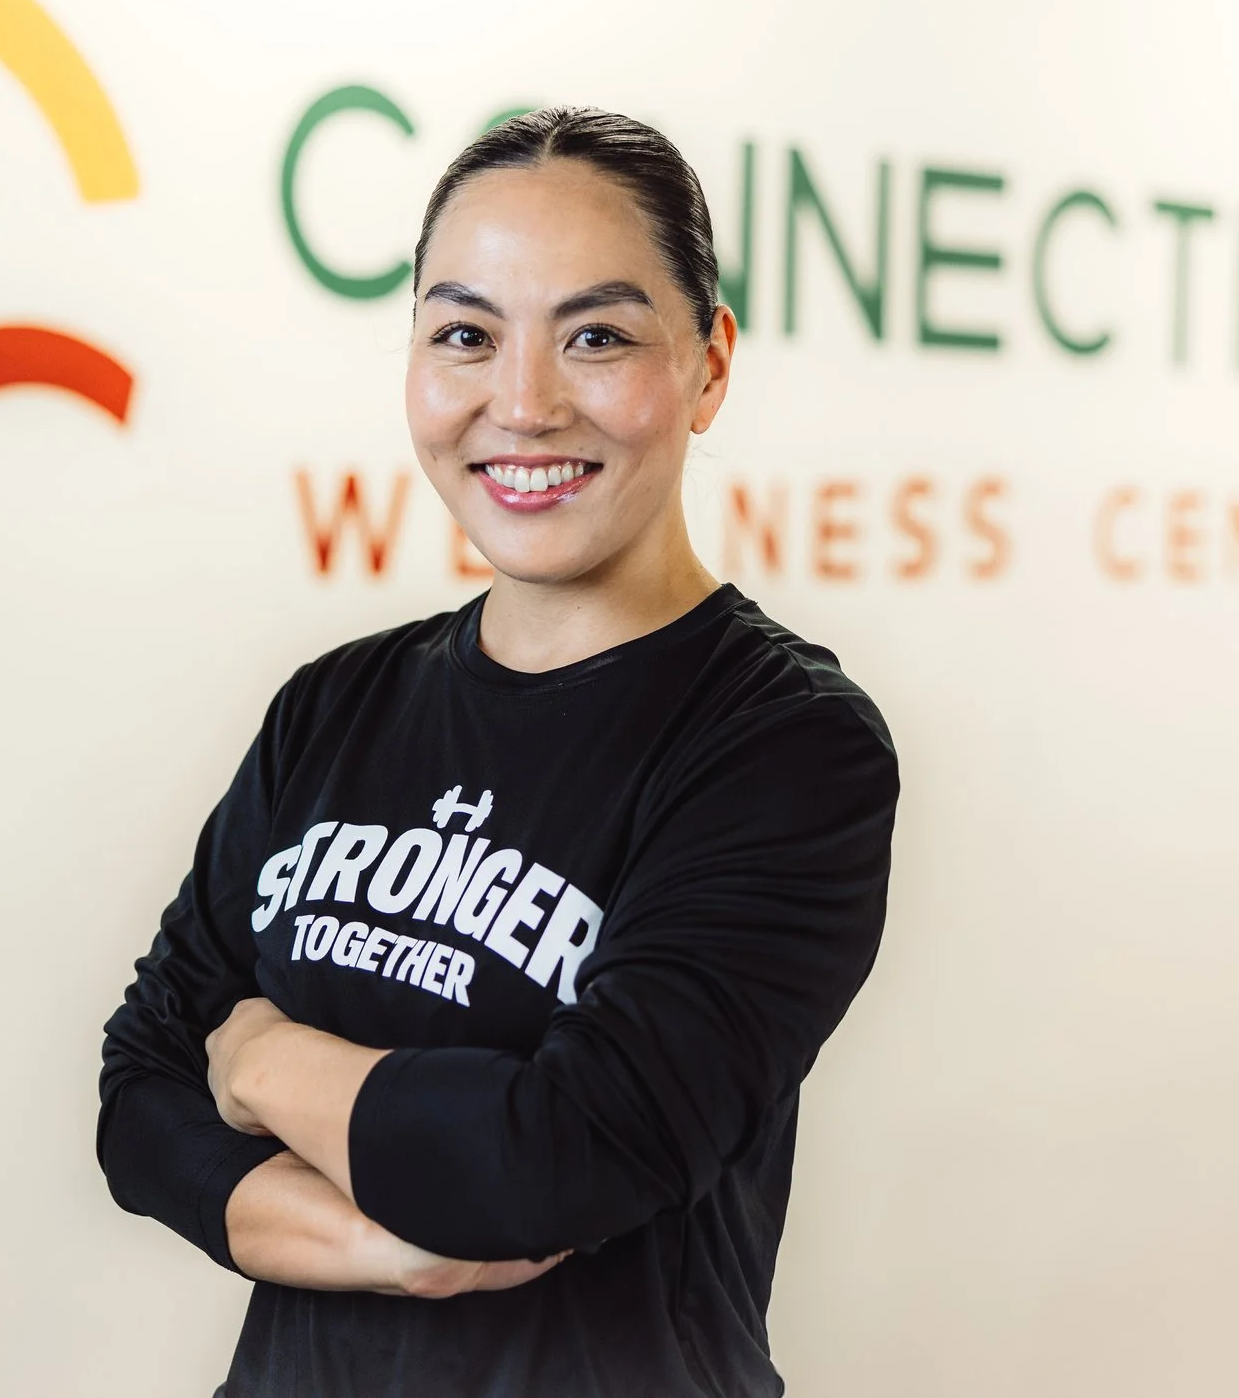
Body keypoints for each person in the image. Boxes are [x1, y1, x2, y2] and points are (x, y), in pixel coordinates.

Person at [96, 106, 899, 1397]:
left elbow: (552, 1161)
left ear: (709, 366)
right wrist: (387, 1247)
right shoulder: (335, 706)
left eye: (597, 336)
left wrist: (258, 1059)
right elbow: (140, 1093)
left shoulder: (785, 747)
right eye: (466, 335)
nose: (522, 406)